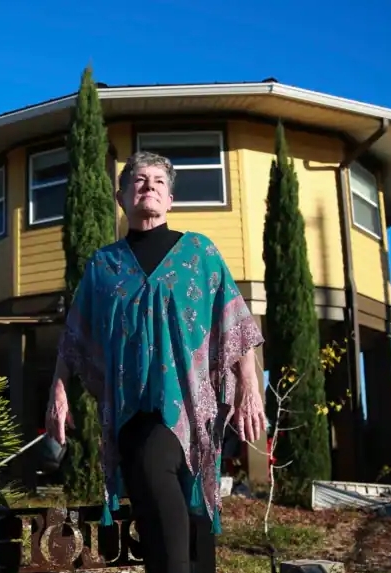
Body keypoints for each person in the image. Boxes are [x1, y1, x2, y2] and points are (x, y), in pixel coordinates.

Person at [46, 150, 267, 573]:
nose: (149, 187)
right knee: (159, 506)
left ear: (170, 201)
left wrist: (249, 387)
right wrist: (58, 390)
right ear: (121, 196)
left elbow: (234, 322)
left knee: (196, 528)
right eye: (139, 180)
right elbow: (74, 336)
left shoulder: (199, 254)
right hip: (134, 414)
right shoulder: (103, 266)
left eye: (159, 182)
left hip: (195, 414)